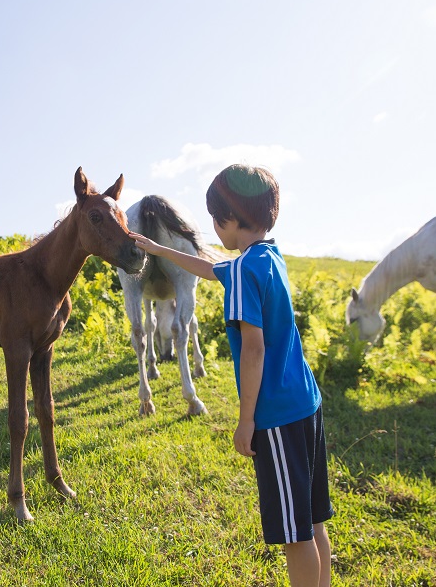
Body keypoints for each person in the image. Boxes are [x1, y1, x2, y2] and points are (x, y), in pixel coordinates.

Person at [129, 164, 333, 587]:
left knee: (294, 537)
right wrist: (161, 249)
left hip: (276, 417)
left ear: (232, 220)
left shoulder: (243, 271)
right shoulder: (268, 258)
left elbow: (253, 349)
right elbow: (210, 268)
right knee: (312, 523)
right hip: (306, 405)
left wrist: (245, 421)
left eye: (215, 220)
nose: (213, 229)